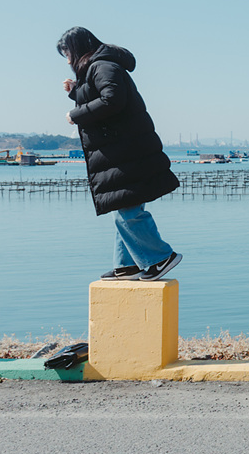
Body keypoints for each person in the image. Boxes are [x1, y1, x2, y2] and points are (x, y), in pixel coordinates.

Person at [57, 27, 182, 282]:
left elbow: (112, 100)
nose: (67, 60)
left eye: (67, 53)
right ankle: (127, 265)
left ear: (79, 48)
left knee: (127, 209)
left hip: (126, 150)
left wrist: (75, 114)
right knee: (122, 205)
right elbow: (102, 97)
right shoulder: (99, 67)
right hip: (123, 150)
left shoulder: (102, 65)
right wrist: (75, 91)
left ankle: (160, 257)